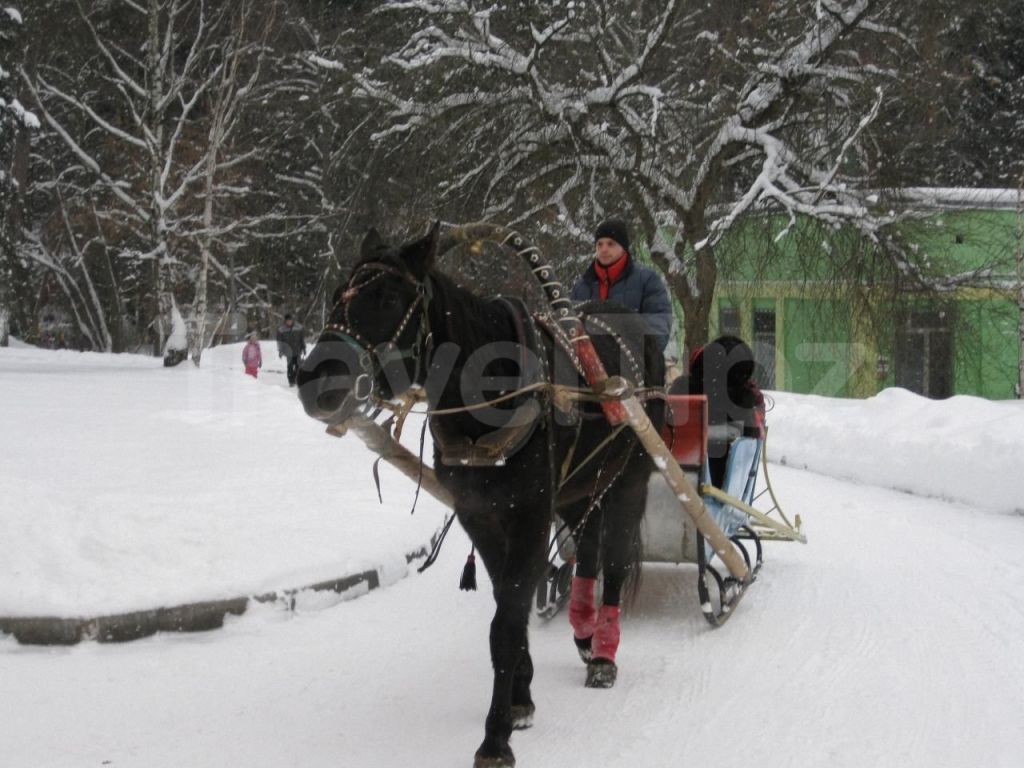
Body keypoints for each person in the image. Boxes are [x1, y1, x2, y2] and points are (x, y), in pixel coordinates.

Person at [570, 218, 674, 352]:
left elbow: (658, 323)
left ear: (623, 247)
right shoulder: (582, 287)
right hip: (590, 364)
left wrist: (642, 355)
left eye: (610, 244)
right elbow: (571, 325)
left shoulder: (647, 280)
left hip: (633, 363)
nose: (604, 249)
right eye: (599, 244)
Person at [276, 313, 306, 387]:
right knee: (289, 366)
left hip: (298, 350)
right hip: (288, 351)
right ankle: (291, 381)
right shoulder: (281, 330)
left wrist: (304, 348)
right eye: (287, 321)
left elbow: (302, 339)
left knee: (298, 366)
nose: (289, 322)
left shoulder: (299, 328)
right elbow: (280, 342)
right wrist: (280, 351)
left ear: (292, 320)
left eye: (290, 320)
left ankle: (296, 379)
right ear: (285, 321)